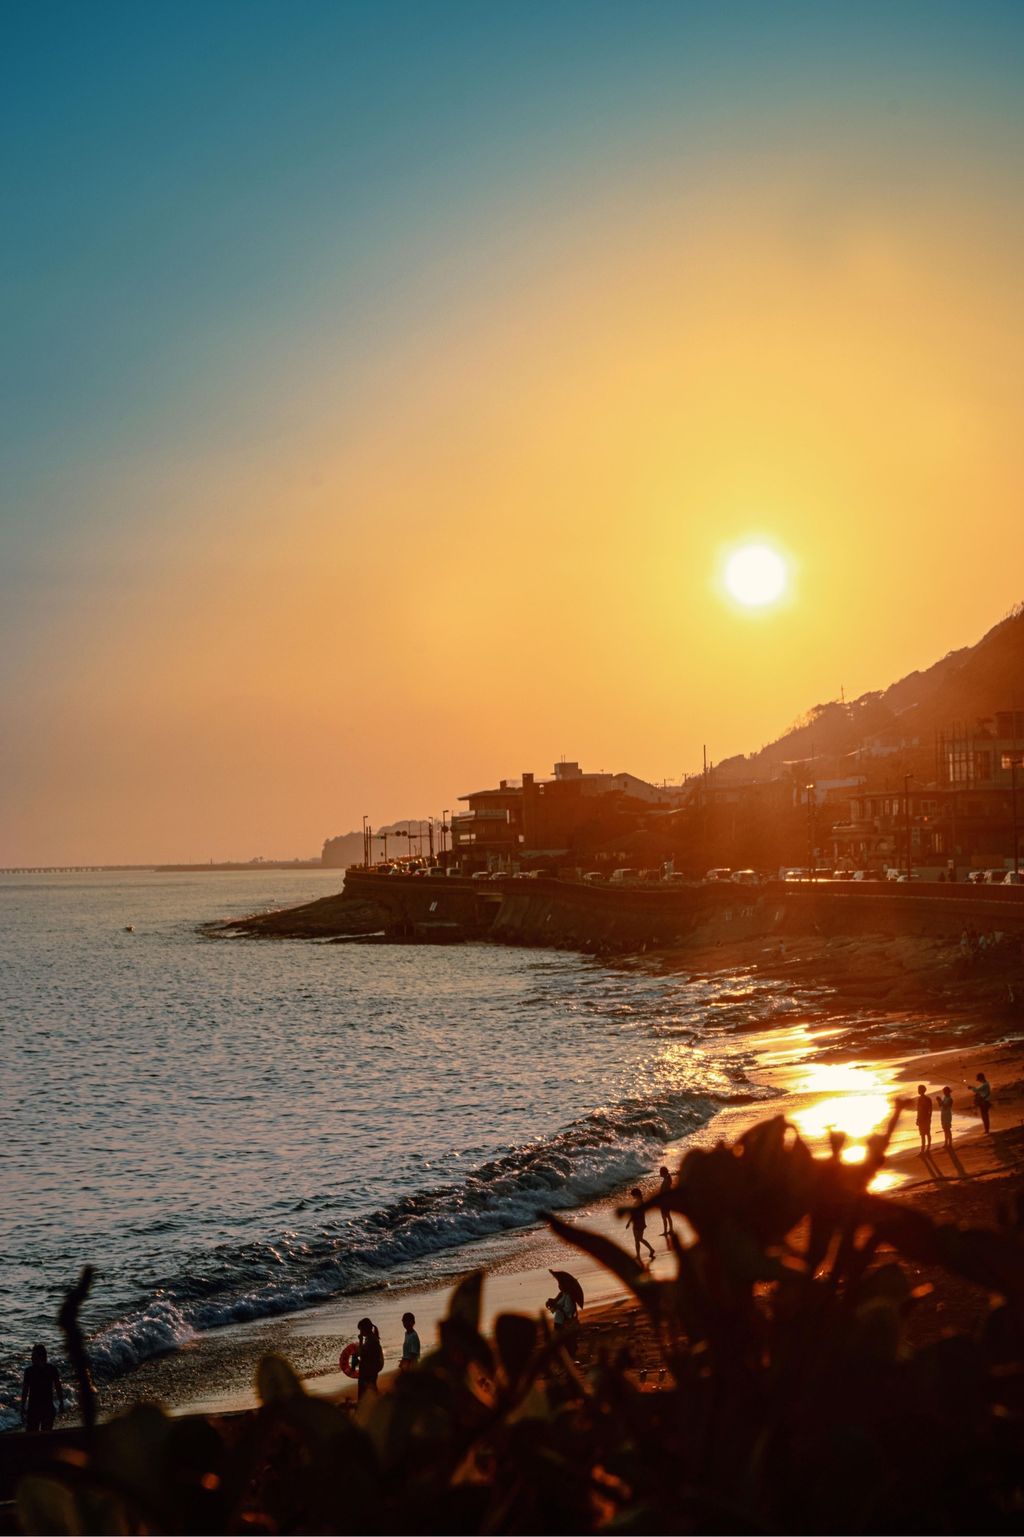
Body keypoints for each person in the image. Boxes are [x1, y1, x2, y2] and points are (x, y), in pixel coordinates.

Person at [21, 1344, 63, 1433]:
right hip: (40, 1409)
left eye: (33, 1356)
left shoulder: (30, 1371)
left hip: (40, 1409)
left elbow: (58, 1387)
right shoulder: (51, 1369)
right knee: (41, 1436)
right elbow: (58, 1387)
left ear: (39, 1357)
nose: (31, 1358)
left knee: (36, 1436)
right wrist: (61, 1402)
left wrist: (22, 1406)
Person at [625, 1187, 656, 1265]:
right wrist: (629, 1222)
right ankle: (639, 1255)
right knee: (638, 1239)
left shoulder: (640, 1202)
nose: (633, 1197)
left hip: (639, 1223)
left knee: (639, 1239)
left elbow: (637, 1213)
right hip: (637, 1222)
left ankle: (650, 1250)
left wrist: (629, 1222)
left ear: (636, 1194)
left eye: (633, 1195)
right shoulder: (638, 1202)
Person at [355, 1317, 383, 1399]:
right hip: (372, 1368)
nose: (360, 1332)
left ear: (365, 1329)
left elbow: (361, 1354)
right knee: (372, 1387)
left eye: (360, 1330)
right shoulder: (373, 1338)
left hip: (368, 1369)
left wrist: (360, 1341)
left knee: (366, 1390)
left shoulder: (370, 1340)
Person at [914, 1085, 933, 1153]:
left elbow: (930, 1110)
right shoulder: (919, 1099)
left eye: (919, 1090)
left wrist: (929, 1118)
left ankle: (927, 1148)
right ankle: (923, 1149)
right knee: (923, 1134)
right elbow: (918, 1110)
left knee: (927, 1133)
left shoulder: (927, 1099)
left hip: (926, 1118)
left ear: (922, 1090)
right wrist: (917, 1119)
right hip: (921, 1119)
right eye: (918, 1090)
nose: (918, 1091)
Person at [658, 1165, 673, 1238]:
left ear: (663, 1173)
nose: (659, 1173)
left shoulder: (666, 1180)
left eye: (660, 1172)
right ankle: (670, 1230)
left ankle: (666, 1231)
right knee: (668, 1216)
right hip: (666, 1201)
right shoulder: (667, 1179)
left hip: (665, 1201)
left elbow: (666, 1191)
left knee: (664, 1216)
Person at [937, 1087, 954, 1153]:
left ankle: (950, 1143)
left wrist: (940, 1100)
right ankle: (946, 1143)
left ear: (948, 1092)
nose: (944, 1093)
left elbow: (945, 1106)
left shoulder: (950, 1099)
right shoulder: (945, 1098)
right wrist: (939, 1101)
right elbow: (940, 1105)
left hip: (947, 1115)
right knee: (945, 1129)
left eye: (945, 1091)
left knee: (948, 1129)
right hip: (943, 1115)